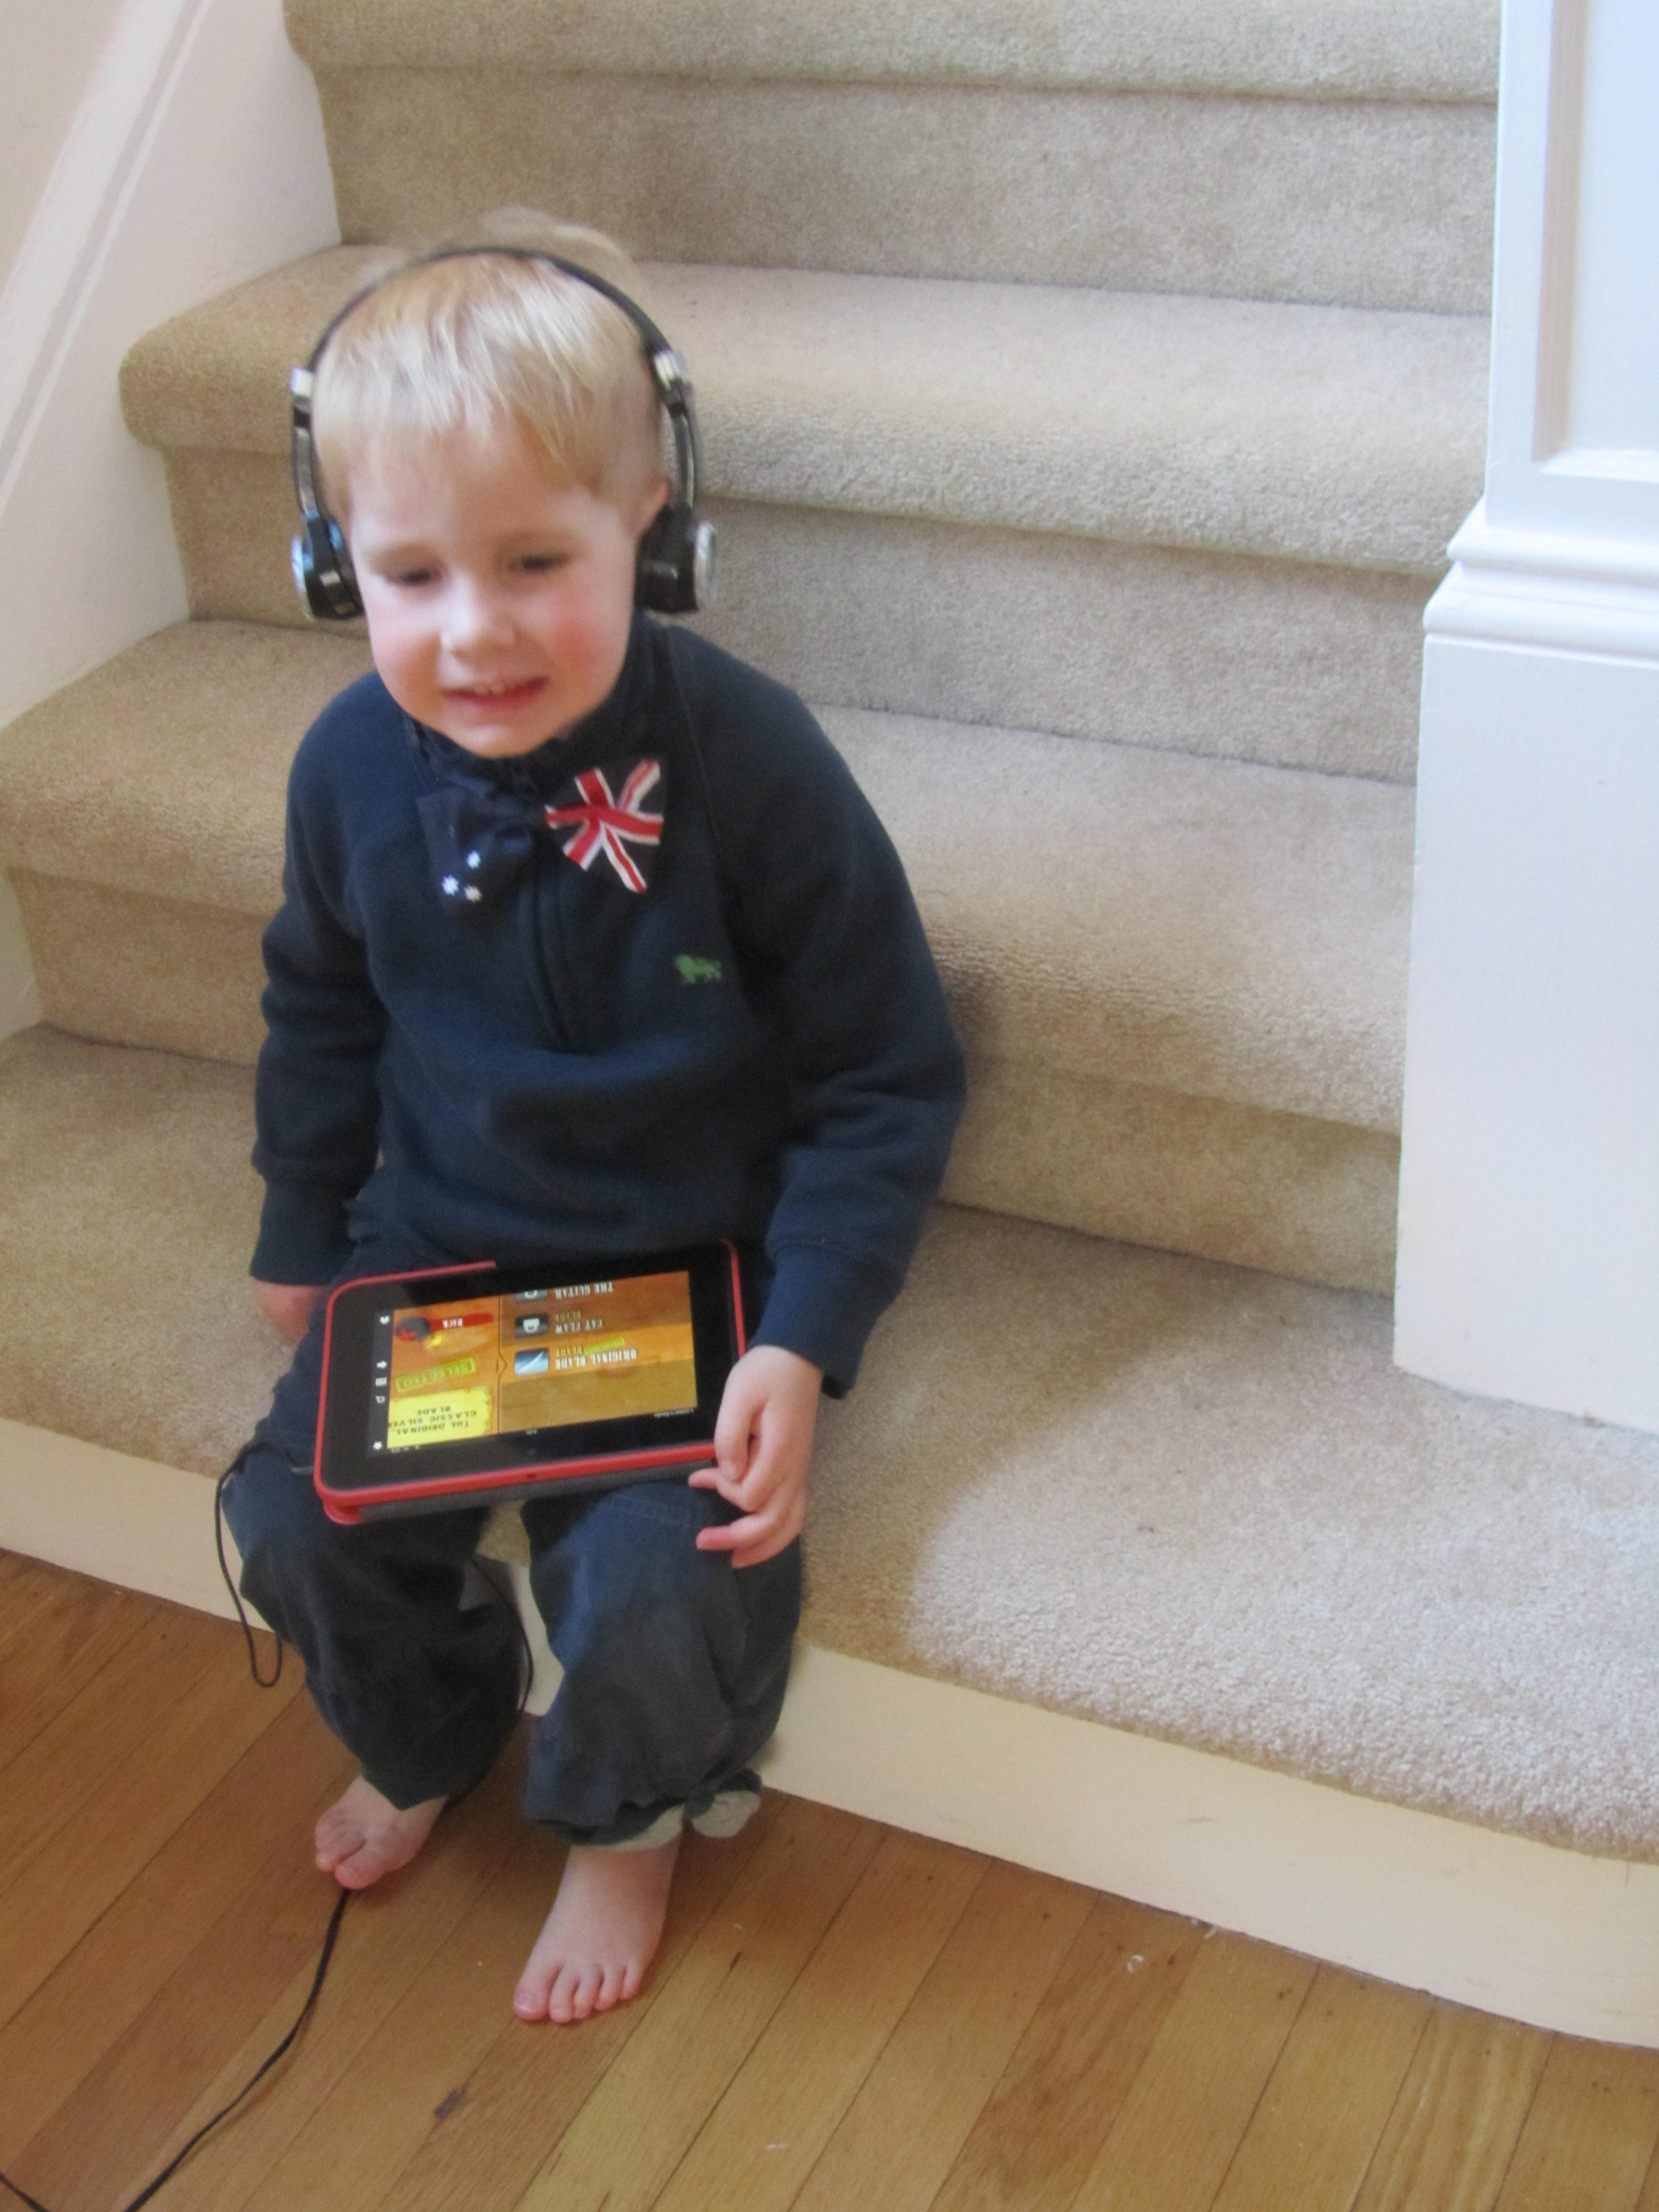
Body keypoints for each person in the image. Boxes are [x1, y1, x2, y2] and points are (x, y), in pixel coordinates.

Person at [220, 219, 965, 2026]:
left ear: (658, 525)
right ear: (331, 566)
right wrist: (303, 1221)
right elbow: (318, 1007)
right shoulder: (343, 769)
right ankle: (432, 1727)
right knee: (293, 1522)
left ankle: (632, 1814)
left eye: (537, 561)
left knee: (664, 1574)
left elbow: (886, 1069)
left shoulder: (752, 758)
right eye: (409, 575)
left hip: (690, 1260)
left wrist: (804, 1334)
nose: (473, 629)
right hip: (442, 1235)